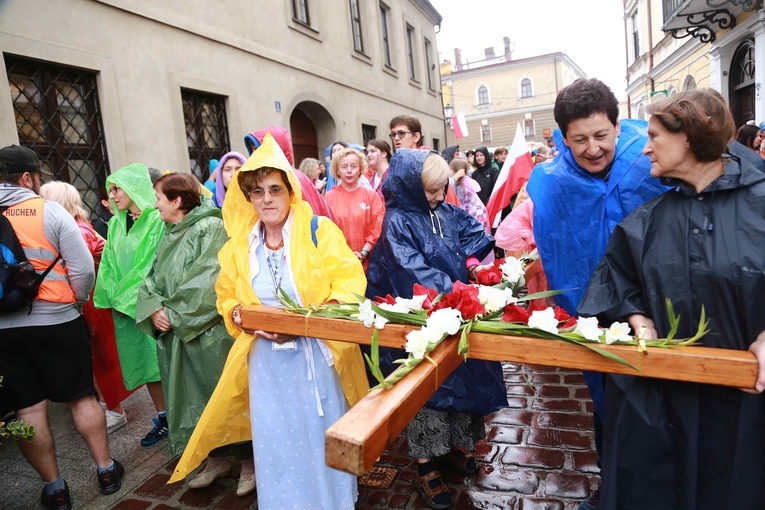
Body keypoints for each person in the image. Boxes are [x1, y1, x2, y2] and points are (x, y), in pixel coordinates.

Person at [579, 88, 765, 510]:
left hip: (745, 409)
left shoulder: (761, 204)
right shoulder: (649, 218)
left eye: (654, 135)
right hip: (666, 408)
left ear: (689, 137)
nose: (644, 148)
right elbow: (612, 281)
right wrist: (634, 314)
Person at [169, 133, 369, 509]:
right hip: (268, 367)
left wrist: (312, 318)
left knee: (322, 437)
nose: (267, 199)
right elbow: (226, 298)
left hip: (317, 360)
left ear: (290, 191)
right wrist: (243, 317)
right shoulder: (239, 248)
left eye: (275, 189)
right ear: (247, 197)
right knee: (277, 443)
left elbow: (350, 281)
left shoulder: (318, 232)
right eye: (257, 192)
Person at [525, 77, 670, 510]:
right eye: (579, 139)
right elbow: (555, 247)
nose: (592, 149)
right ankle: (615, 488)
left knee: (666, 407)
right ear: (562, 137)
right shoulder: (551, 181)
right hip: (597, 312)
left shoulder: (650, 155)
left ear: (617, 124)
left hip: (660, 308)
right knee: (609, 405)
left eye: (601, 136)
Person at [366, 149, 506, 509]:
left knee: (459, 384)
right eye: (431, 190)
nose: (440, 196)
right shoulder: (397, 220)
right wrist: (460, 291)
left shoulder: (441, 209)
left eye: (443, 188)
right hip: (417, 322)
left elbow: (471, 230)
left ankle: (451, 448)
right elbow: (411, 272)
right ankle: (425, 465)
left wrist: (475, 262)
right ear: (411, 186)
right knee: (426, 392)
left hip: (452, 313)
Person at [0, 145, 124, 509]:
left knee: (28, 410)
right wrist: (75, 300)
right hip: (57, 319)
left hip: (4, 330)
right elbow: (84, 269)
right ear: (26, 178)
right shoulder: (48, 210)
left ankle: (55, 488)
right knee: (81, 396)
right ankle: (105, 470)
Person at [134, 173, 255, 495]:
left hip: (208, 335)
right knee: (193, 400)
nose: (155, 204)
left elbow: (210, 280)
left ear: (176, 200)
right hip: (177, 335)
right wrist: (154, 309)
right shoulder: (168, 231)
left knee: (224, 397)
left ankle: (248, 462)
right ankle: (216, 459)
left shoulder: (210, 228)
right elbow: (151, 278)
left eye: (159, 197)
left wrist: (173, 314)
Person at [39, 181, 133, 434]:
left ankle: (112, 408)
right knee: (97, 356)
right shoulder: (80, 226)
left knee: (97, 358)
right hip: (91, 298)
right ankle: (108, 406)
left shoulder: (75, 230)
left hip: (88, 301)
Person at [93, 163, 168, 447]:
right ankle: (164, 417)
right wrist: (111, 296)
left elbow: (148, 265)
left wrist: (125, 298)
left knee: (163, 361)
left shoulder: (156, 220)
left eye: (117, 188)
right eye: (109, 190)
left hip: (151, 304)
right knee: (146, 364)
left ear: (135, 187)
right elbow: (108, 265)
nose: (112, 194)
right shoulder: (115, 223)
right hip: (126, 308)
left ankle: (182, 414)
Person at [243, 126, 339, 224]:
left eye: (258, 148)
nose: (255, 154)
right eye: (253, 149)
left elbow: (309, 217)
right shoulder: (255, 180)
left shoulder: (295, 178)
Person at [324, 148, 384, 271]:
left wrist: (364, 252)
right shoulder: (329, 198)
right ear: (337, 171)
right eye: (344, 167)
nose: (349, 171)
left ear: (360, 169)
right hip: (340, 265)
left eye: (353, 166)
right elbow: (326, 231)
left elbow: (378, 225)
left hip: (370, 262)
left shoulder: (371, 196)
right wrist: (346, 256)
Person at [448, 158, 490, 233]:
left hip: (474, 218)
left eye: (450, 168)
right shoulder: (456, 184)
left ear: (456, 170)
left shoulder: (464, 185)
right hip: (470, 219)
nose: (448, 171)